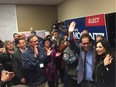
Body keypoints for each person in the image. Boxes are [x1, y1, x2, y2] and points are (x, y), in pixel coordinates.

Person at [68, 21, 96, 87]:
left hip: (95, 82)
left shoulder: (95, 51)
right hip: (84, 81)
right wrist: (70, 32)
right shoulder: (80, 50)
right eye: (83, 43)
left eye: (87, 43)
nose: (85, 45)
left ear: (90, 43)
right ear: (81, 43)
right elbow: (71, 42)